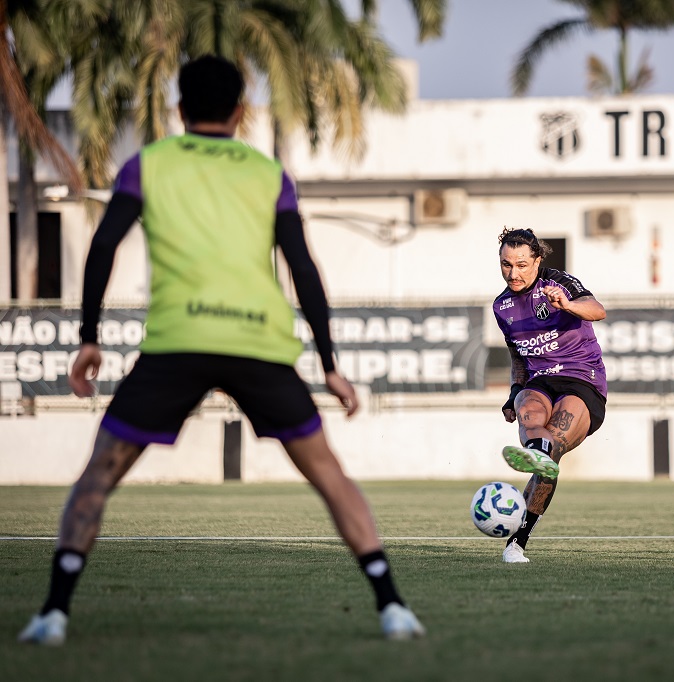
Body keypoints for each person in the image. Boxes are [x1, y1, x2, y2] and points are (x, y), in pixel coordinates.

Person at [17, 56, 424, 645]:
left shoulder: (147, 165)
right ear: (240, 112)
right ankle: (392, 607)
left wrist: (89, 337)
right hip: (257, 344)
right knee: (329, 474)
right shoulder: (268, 174)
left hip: (178, 343)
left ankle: (53, 613)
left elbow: (103, 245)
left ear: (180, 110)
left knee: (98, 475)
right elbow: (302, 267)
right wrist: (331, 365)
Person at [493, 227, 608, 563]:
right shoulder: (502, 306)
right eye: (506, 265)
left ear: (537, 260)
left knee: (554, 445)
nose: (513, 273)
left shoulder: (558, 283)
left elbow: (597, 310)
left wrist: (569, 306)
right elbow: (517, 356)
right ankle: (537, 450)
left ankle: (518, 539)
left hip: (580, 379)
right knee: (526, 406)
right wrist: (514, 389)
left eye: (522, 265)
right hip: (540, 381)